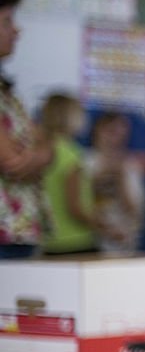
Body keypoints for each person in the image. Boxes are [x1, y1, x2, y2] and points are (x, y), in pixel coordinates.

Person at [0, 0, 51, 258]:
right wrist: (39, 155)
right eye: (7, 21)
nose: (17, 30)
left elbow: (46, 145)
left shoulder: (8, 91)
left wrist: (40, 154)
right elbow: (12, 161)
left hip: (17, 231)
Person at [39, 93, 96, 255]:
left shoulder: (40, 151)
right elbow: (75, 207)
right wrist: (103, 226)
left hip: (49, 241)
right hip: (76, 241)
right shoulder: (71, 154)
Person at [85, 112, 145, 253]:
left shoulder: (130, 165)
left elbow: (134, 210)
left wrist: (120, 178)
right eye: (111, 132)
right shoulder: (85, 161)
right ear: (97, 131)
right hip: (90, 241)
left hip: (123, 242)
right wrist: (99, 180)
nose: (115, 139)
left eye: (121, 134)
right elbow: (78, 203)